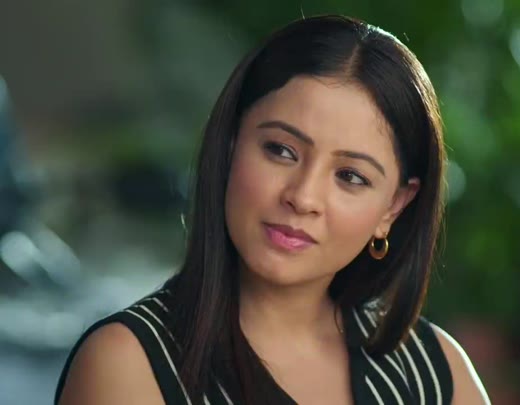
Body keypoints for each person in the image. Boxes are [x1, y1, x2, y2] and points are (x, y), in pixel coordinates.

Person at [55, 15, 490, 405]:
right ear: (230, 145)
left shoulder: (434, 373)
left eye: (350, 176)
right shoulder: (130, 364)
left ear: (393, 207)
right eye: (281, 150)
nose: (303, 197)